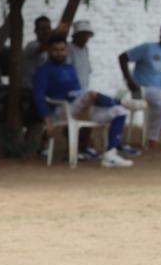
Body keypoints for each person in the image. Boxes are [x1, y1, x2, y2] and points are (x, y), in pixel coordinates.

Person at [32, 36, 134, 168]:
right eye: (55, 50)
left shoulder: (70, 68)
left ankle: (111, 154)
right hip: (63, 109)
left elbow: (77, 90)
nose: (59, 53)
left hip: (80, 107)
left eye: (62, 50)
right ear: (49, 51)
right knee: (91, 94)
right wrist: (47, 121)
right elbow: (39, 97)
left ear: (66, 51)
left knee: (120, 112)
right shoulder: (43, 71)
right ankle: (120, 101)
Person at [69, 20, 95, 89]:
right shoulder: (68, 48)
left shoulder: (85, 49)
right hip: (72, 89)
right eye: (83, 35)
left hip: (84, 88)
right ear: (76, 35)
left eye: (87, 35)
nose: (86, 38)